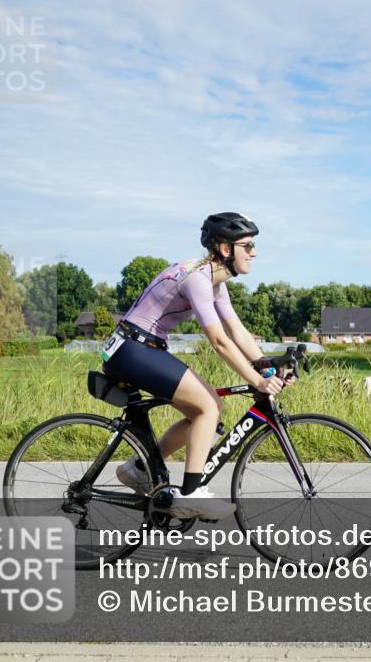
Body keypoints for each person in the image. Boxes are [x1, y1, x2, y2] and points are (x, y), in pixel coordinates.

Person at [101, 212, 287, 520]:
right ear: (226, 249)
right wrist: (257, 380)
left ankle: (138, 468)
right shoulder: (198, 279)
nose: (254, 252)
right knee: (208, 407)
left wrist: (268, 368)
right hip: (133, 348)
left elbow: (237, 332)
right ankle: (190, 494)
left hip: (139, 347)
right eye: (248, 245)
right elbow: (219, 341)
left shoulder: (214, 282)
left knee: (205, 412)